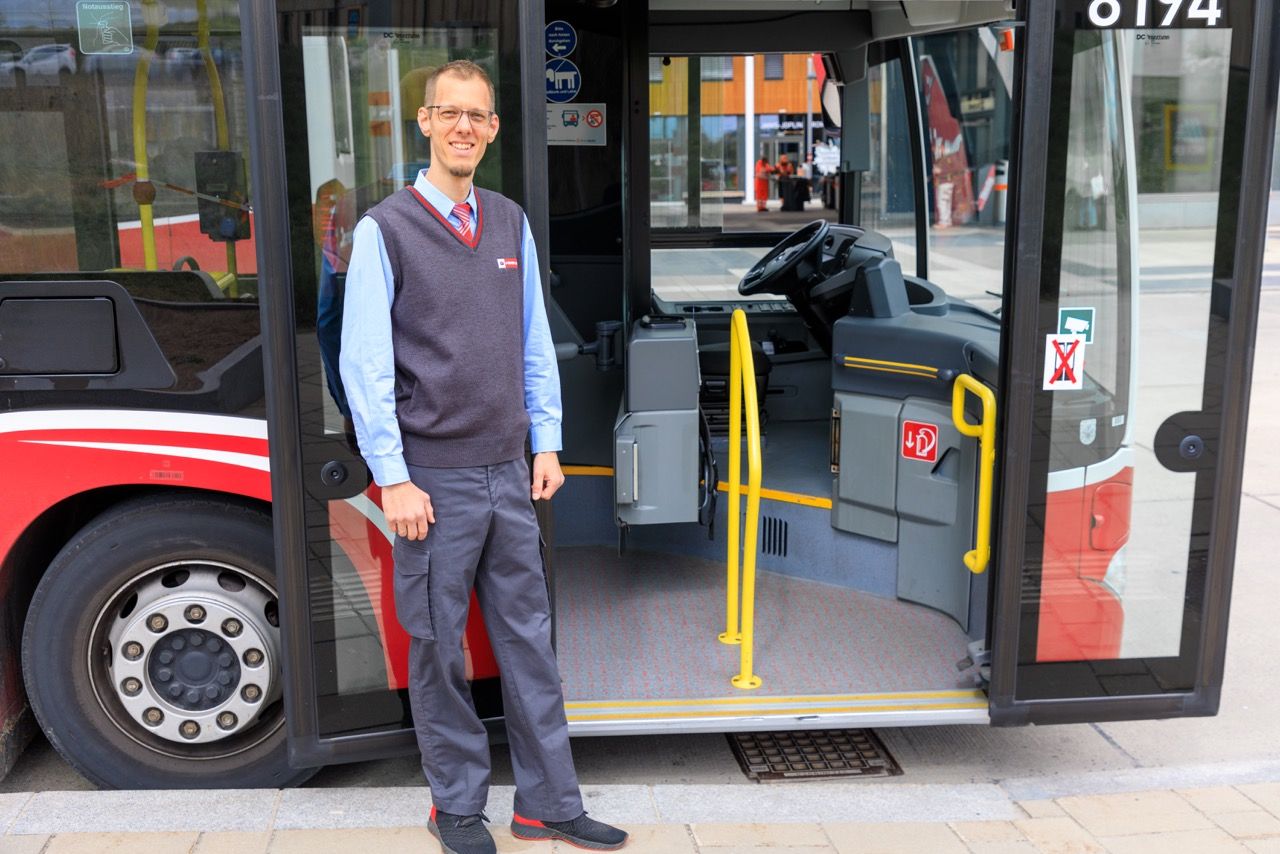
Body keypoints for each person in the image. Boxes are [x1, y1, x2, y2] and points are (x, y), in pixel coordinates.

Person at [339, 59, 628, 854]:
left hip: (511, 473)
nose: (465, 126)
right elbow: (364, 366)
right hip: (431, 480)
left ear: (494, 130)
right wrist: (392, 477)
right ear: (425, 123)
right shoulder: (385, 230)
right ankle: (456, 805)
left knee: (529, 642)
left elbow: (535, 342)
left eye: (479, 115)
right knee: (439, 650)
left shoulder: (508, 222)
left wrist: (548, 441)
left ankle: (549, 806)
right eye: (450, 113)